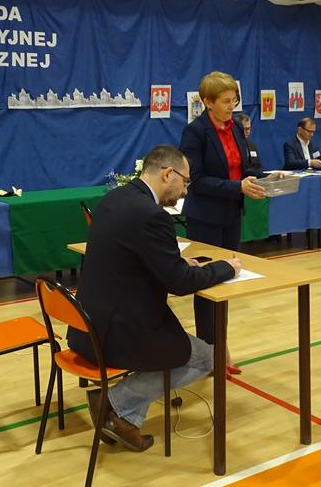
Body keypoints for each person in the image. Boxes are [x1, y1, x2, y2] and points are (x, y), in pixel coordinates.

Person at [68, 144, 242, 451]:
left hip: (88, 322)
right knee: (208, 358)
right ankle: (114, 402)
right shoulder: (151, 215)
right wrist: (225, 268)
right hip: (119, 331)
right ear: (167, 174)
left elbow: (135, 256)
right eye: (185, 181)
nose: (185, 190)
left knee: (186, 348)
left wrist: (173, 261)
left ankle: (124, 419)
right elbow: (180, 283)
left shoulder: (114, 198)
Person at [179, 71, 267, 375]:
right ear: (208, 102)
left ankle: (221, 346)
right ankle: (210, 354)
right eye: (226, 101)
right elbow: (196, 179)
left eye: (234, 100)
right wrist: (237, 186)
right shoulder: (195, 132)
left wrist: (265, 178)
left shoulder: (236, 128)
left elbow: (243, 168)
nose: (232, 106)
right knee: (207, 284)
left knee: (227, 280)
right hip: (205, 217)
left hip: (231, 214)